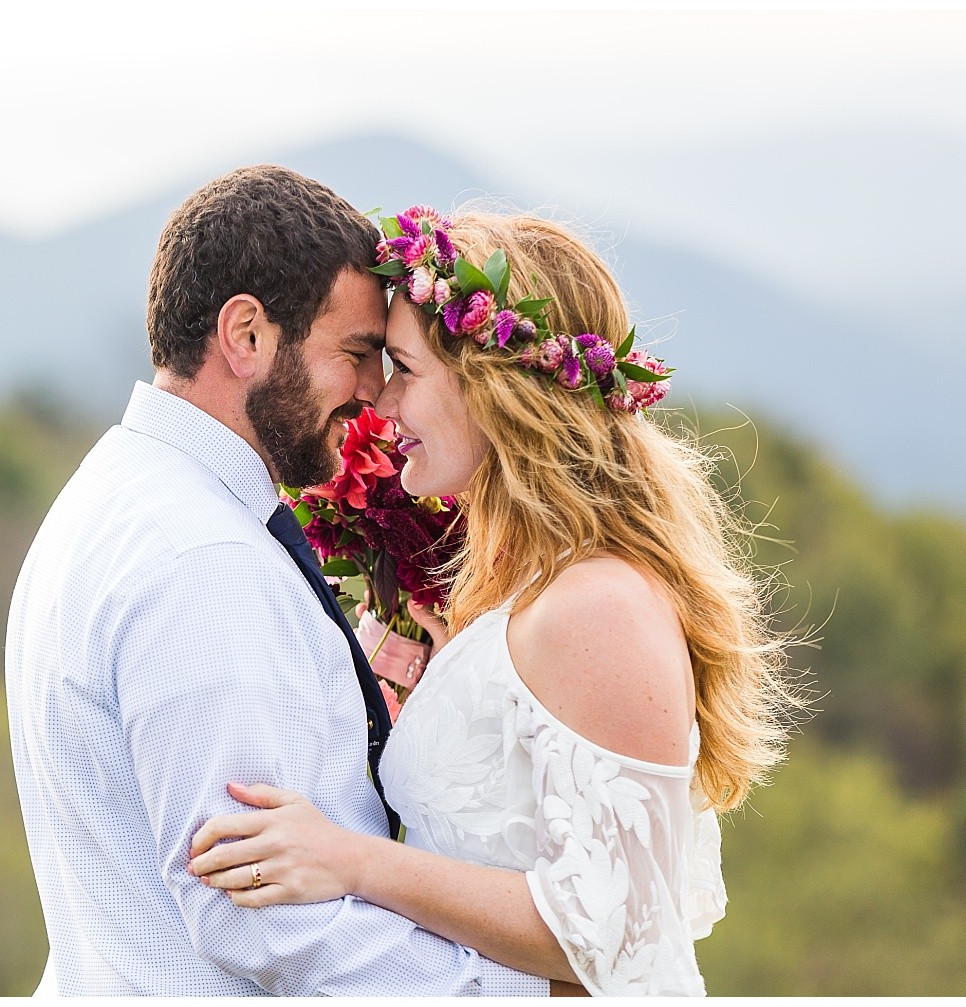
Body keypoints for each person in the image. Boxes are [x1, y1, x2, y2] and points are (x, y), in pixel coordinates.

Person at [188, 207, 806, 996]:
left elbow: (610, 934)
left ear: (496, 391)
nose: (381, 403)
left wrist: (351, 858)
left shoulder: (598, 608)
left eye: (404, 369)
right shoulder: (529, 593)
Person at [4, 168, 554, 995]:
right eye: (357, 354)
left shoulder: (114, 492)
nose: (375, 392)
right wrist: (526, 992)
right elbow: (266, 923)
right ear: (248, 335)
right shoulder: (204, 561)